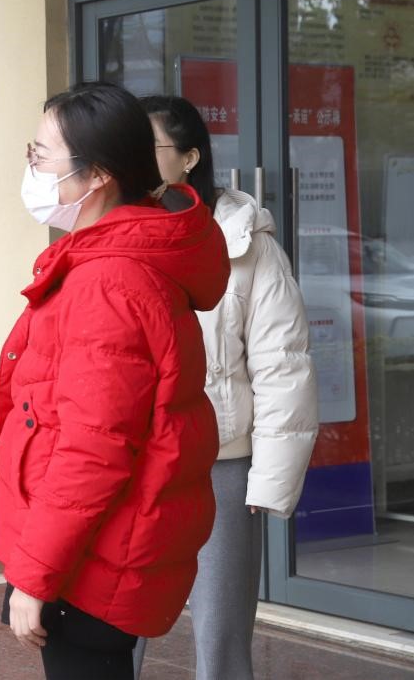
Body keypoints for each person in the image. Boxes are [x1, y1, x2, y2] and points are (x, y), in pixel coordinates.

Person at [0, 82, 231, 680]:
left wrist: (35, 576)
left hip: (87, 561)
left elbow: (92, 451)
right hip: (89, 547)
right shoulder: (107, 262)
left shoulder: (108, 282)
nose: (33, 169)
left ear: (97, 176)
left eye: (42, 155)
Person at [133, 95, 318, 680]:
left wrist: (271, 478)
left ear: (189, 158)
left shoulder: (248, 244)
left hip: (219, 464)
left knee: (221, 632)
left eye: (147, 146)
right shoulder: (119, 235)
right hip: (133, 460)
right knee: (117, 619)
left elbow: (282, 365)